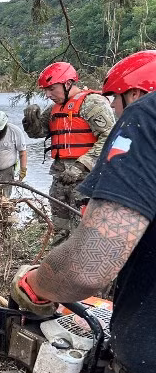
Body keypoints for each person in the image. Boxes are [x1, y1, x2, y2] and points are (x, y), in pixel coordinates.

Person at [11, 51, 156, 373]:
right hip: (65, 178)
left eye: (118, 100)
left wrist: (38, 283)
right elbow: (40, 131)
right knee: (65, 231)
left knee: (88, 242)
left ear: (136, 93)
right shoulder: (58, 108)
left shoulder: (139, 116)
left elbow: (90, 265)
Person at [22, 62, 115, 242]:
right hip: (60, 178)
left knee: (85, 229)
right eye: (45, 90)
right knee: (60, 228)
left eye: (51, 89)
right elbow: (38, 133)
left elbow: (109, 138)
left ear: (67, 83)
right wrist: (30, 120)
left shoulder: (92, 103)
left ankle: (87, 265)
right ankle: (60, 262)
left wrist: (80, 165)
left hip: (87, 179)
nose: (47, 95)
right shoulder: (55, 108)